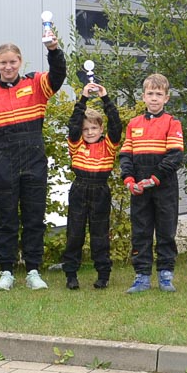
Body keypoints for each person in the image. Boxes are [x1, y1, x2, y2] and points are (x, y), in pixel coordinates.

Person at [0, 34, 66, 291]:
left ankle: (33, 271)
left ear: (20, 62)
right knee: (6, 219)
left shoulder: (36, 83)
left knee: (34, 218)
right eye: (3, 62)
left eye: (12, 62)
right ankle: (7, 272)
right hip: (2, 159)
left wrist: (54, 50)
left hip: (34, 157)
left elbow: (58, 75)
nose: (8, 67)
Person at [121, 73, 185, 293]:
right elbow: (126, 155)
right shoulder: (134, 124)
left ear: (166, 98)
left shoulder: (172, 122)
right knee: (141, 231)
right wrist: (128, 179)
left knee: (166, 231)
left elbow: (175, 156)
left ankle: (166, 275)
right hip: (139, 188)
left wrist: (155, 178)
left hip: (164, 185)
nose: (154, 98)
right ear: (143, 96)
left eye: (159, 94)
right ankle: (142, 276)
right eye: (150, 94)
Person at [63, 82, 122, 290]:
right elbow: (73, 124)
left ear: (101, 128)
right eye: (85, 129)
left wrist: (105, 98)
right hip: (79, 189)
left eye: (94, 128)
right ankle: (71, 275)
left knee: (100, 235)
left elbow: (116, 125)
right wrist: (83, 98)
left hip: (100, 191)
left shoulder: (109, 144)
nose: (89, 132)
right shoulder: (76, 144)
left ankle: (103, 275)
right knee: (74, 234)